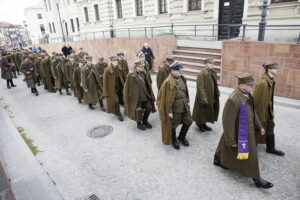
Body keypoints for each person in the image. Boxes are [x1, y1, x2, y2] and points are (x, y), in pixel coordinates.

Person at [213, 73, 273, 189]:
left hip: (246, 128)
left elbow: (253, 112)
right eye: (250, 85)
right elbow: (227, 123)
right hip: (240, 132)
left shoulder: (248, 95)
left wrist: (260, 126)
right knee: (250, 154)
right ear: (242, 85)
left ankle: (218, 158)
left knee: (226, 145)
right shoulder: (233, 99)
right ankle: (257, 178)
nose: (253, 87)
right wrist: (231, 140)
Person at [157, 62, 192, 150]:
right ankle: (174, 140)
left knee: (189, 121)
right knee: (173, 125)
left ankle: (181, 137)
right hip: (175, 108)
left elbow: (185, 91)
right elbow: (163, 99)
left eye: (181, 70)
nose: (181, 71)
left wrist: (187, 101)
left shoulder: (182, 78)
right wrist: (169, 111)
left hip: (184, 105)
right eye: (178, 70)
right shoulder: (167, 82)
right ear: (172, 71)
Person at [253, 61, 285, 156]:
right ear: (269, 69)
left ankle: (271, 148)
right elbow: (256, 100)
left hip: (268, 110)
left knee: (270, 126)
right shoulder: (263, 83)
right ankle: (250, 149)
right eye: (275, 68)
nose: (276, 70)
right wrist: (258, 117)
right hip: (262, 112)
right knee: (257, 128)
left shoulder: (270, 80)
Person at [124, 59, 156, 130]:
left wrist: (151, 94)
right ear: (136, 67)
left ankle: (145, 121)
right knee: (139, 111)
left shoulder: (144, 74)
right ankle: (139, 123)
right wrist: (126, 100)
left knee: (149, 107)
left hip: (145, 95)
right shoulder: (130, 76)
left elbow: (148, 84)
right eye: (141, 67)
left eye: (143, 67)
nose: (142, 68)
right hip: (136, 98)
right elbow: (126, 88)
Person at [192, 58, 220, 132]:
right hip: (203, 96)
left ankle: (203, 123)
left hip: (211, 94)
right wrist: (203, 98)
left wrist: (217, 92)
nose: (212, 65)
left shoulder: (212, 72)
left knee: (206, 111)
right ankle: (199, 123)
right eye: (210, 63)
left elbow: (215, 84)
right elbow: (200, 87)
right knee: (201, 111)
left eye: (212, 63)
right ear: (205, 64)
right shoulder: (201, 74)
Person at [103, 56, 124, 121]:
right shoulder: (107, 70)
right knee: (116, 100)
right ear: (111, 61)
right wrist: (105, 92)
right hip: (112, 89)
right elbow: (105, 82)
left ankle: (116, 111)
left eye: (117, 60)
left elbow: (123, 77)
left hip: (120, 87)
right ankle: (118, 113)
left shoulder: (119, 68)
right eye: (114, 61)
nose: (116, 62)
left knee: (120, 100)